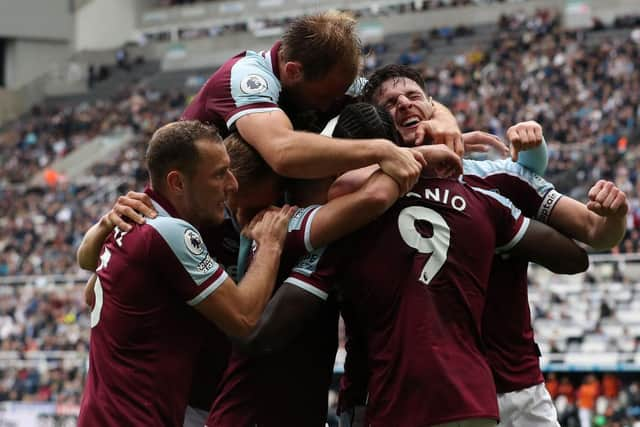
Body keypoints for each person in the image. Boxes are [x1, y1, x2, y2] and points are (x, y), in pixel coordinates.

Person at [343, 63, 628, 427]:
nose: (403, 104)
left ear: (433, 105)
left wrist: (615, 215)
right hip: (416, 394)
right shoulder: (368, 194)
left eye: (413, 96)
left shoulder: (496, 178)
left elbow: (595, 231)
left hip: (514, 388)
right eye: (390, 103)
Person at [77, 121, 295, 426]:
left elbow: (92, 292)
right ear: (177, 183)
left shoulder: (133, 224)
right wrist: (270, 245)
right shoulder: (169, 232)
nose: (232, 184)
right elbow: (244, 318)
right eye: (219, 174)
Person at [181, 11, 464, 194]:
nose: (334, 101)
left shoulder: (331, 80)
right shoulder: (247, 77)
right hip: (197, 209)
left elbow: (394, 94)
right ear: (293, 71)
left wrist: (443, 119)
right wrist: (381, 149)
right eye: (327, 95)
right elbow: (283, 153)